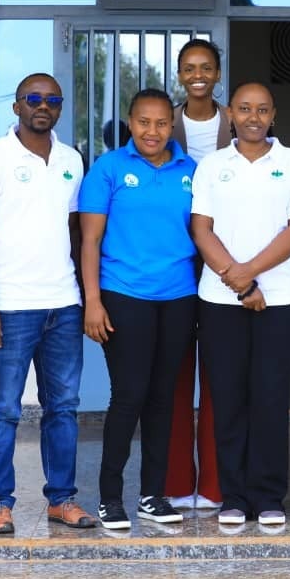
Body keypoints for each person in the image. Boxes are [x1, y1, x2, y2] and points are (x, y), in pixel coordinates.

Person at [0, 72, 96, 534]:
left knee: (63, 406)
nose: (43, 105)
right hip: (12, 306)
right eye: (33, 98)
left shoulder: (71, 160)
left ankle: (62, 499)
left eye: (52, 99)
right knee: (3, 408)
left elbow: (77, 232)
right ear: (16, 106)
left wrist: (86, 296)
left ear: (60, 107)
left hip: (63, 303)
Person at [190, 82, 290, 526]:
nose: (253, 117)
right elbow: (201, 228)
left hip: (278, 298)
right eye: (244, 109)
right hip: (220, 301)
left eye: (262, 109)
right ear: (230, 114)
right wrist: (238, 281)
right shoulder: (212, 165)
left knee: (269, 398)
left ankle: (268, 497)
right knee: (228, 399)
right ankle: (234, 497)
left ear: (273, 114)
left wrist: (249, 272)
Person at [79, 89, 198, 530]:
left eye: (162, 123)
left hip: (179, 295)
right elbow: (89, 241)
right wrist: (92, 300)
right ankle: (111, 497)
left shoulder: (191, 170)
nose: (153, 131)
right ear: (131, 123)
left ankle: (153, 494)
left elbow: (202, 233)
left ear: (172, 125)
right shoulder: (109, 168)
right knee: (128, 395)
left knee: (163, 398)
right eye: (144, 122)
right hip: (123, 293)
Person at [166, 38, 232, 512]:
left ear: (218, 71)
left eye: (206, 66)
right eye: (189, 67)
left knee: (219, 375)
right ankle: (173, 483)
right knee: (171, 375)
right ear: (179, 73)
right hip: (171, 261)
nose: (198, 74)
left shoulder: (240, 118)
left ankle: (213, 486)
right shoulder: (161, 122)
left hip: (227, 262)